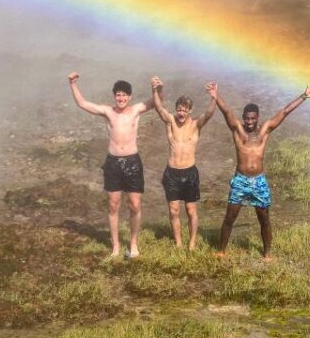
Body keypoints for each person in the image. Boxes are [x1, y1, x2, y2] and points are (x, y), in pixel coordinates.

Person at [206, 82, 310, 260]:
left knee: (264, 219)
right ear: (243, 117)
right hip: (240, 181)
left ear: (257, 117)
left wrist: (304, 96)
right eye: (247, 118)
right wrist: (216, 96)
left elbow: (284, 112)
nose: (250, 122)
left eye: (253, 118)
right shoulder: (238, 130)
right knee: (230, 218)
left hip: (258, 181)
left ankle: (267, 254)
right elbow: (227, 112)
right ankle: (221, 251)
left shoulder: (264, 131)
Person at [68, 72, 154, 258]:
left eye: (124, 95)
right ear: (114, 96)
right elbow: (82, 103)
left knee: (135, 205)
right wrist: (73, 84)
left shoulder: (136, 110)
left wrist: (158, 88)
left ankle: (133, 244)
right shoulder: (107, 111)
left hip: (132, 161)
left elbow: (155, 102)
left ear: (129, 97)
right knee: (113, 205)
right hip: (113, 162)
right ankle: (115, 247)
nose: (121, 98)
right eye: (118, 95)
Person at [151, 76, 215, 250]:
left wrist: (214, 97)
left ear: (190, 110)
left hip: (189, 173)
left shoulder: (195, 125)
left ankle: (192, 243)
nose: (181, 113)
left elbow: (209, 114)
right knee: (173, 210)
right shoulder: (170, 121)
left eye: (185, 110)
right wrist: (155, 90)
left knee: (191, 210)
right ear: (176, 109)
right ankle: (178, 243)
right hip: (172, 173)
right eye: (179, 109)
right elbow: (158, 108)